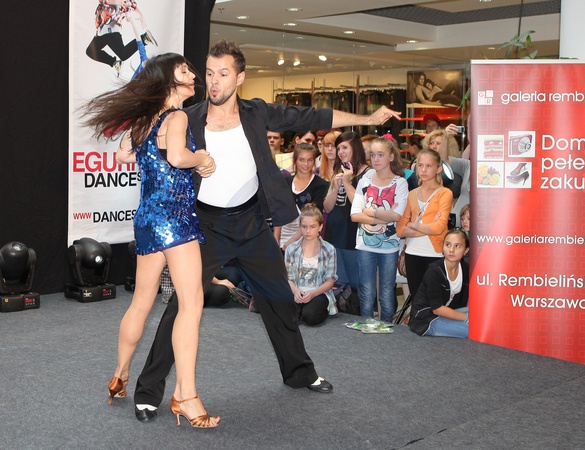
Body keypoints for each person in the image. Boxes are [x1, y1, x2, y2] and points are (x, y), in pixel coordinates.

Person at [132, 40, 401, 422]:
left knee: (279, 299)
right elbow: (156, 145)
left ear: (240, 77)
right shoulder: (187, 117)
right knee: (181, 307)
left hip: (252, 224)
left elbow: (311, 115)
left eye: (223, 73)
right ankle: (148, 392)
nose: (214, 81)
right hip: (205, 226)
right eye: (209, 73)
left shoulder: (257, 113)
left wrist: (369, 119)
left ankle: (299, 373)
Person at [82, 53, 219, 428]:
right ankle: (186, 396)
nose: (193, 75)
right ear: (169, 80)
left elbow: (124, 155)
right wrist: (200, 157)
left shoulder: (145, 121)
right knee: (191, 303)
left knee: (141, 302)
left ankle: (119, 375)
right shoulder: (176, 117)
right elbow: (176, 156)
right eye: (184, 70)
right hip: (174, 220)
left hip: (146, 219)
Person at [350, 137, 409, 322]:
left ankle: (387, 328)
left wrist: (370, 211)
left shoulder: (400, 183)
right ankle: (366, 325)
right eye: (373, 154)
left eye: (381, 155)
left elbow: (397, 216)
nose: (375, 159)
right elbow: (355, 215)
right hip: (364, 245)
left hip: (389, 248)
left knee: (386, 291)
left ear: (391, 156)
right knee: (366, 291)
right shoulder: (365, 180)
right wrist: (383, 216)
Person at [396, 149, 453, 299]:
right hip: (412, 253)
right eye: (420, 165)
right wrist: (427, 228)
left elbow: (439, 227)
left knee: (435, 300)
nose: (423, 170)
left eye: (429, 166)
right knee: (417, 299)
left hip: (435, 253)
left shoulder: (445, 193)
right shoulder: (412, 193)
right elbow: (400, 229)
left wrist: (413, 225)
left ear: (438, 169)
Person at [323, 132, 371, 292]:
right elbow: (327, 208)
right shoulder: (339, 170)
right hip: (334, 236)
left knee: (358, 286)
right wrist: (336, 188)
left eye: (344, 147)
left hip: (354, 238)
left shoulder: (368, 173)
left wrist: (346, 182)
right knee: (339, 287)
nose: (340, 152)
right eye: (338, 148)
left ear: (355, 148)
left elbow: (360, 206)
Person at [409, 229, 470, 338]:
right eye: (448, 245)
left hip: (449, 312)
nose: (451, 250)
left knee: (480, 316)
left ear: (466, 250)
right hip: (427, 318)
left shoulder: (466, 269)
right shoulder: (434, 270)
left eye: (457, 246)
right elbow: (437, 309)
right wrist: (466, 318)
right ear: (443, 247)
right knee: (473, 330)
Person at [285, 204, 338, 326]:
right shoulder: (291, 249)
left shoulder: (329, 249)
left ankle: (313, 310)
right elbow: (288, 278)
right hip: (296, 291)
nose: (308, 231)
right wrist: (296, 291)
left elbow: (330, 281)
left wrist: (313, 293)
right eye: (304, 227)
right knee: (286, 315)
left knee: (311, 316)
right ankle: (299, 311)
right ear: (300, 227)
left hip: (318, 293)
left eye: (312, 227)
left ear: (320, 227)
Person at [277, 143, 329, 251]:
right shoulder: (284, 182)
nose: (306, 164)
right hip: (282, 239)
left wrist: (291, 241)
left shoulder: (321, 185)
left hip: (306, 240)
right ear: (295, 160)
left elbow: (314, 218)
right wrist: (276, 240)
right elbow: (278, 213)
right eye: (301, 160)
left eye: (310, 160)